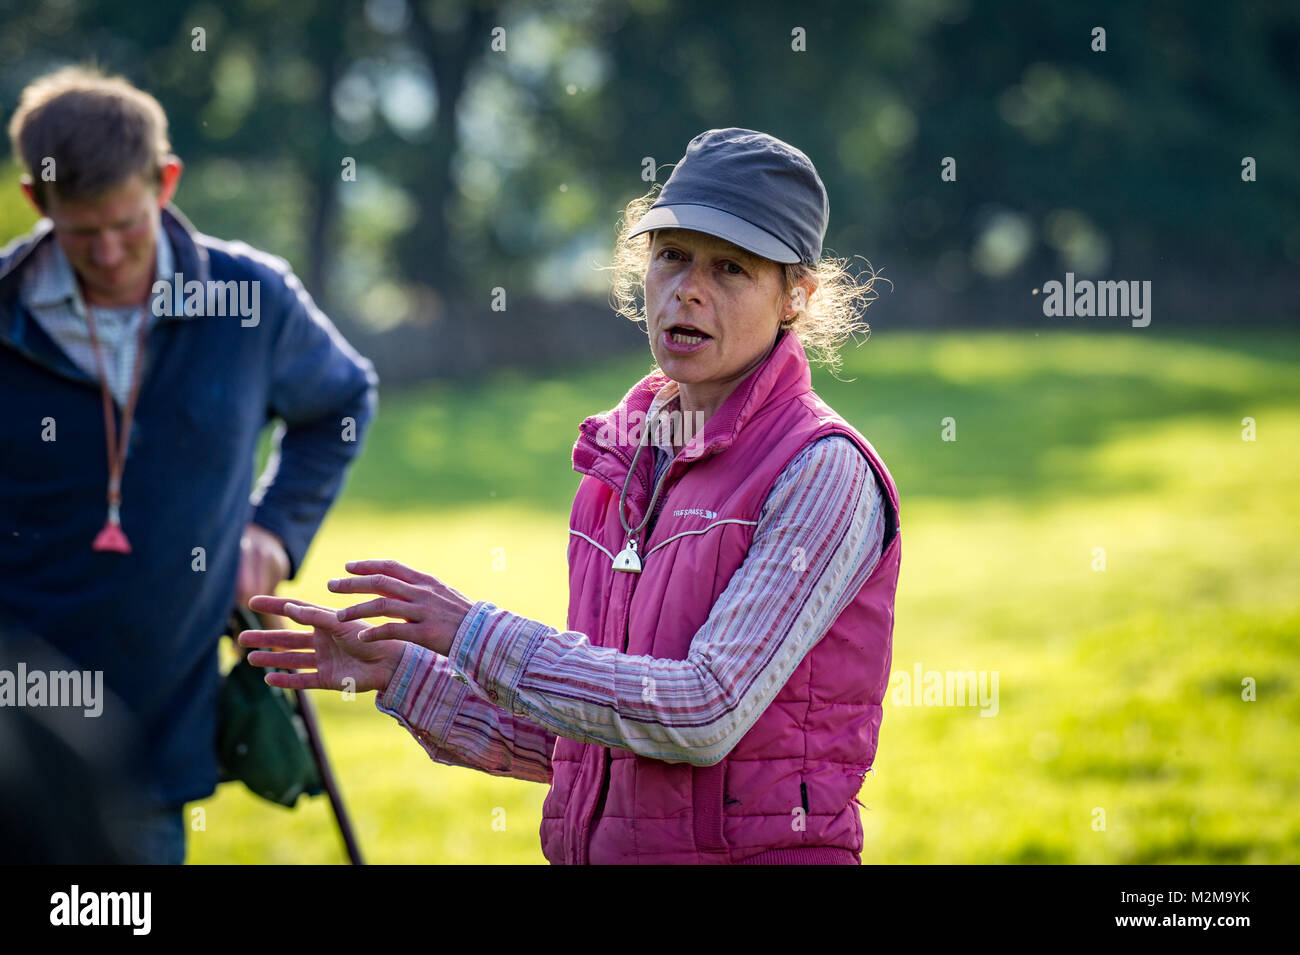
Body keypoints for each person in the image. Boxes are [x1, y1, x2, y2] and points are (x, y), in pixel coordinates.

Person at [241, 127, 900, 864]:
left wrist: (473, 629)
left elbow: (702, 712)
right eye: (672, 255)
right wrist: (402, 671)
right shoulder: (617, 462)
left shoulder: (823, 470)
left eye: (732, 269)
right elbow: (589, 739)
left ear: (796, 299)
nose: (688, 287)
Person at [0, 66, 378, 863]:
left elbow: (341, 401)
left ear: (165, 182)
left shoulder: (249, 300)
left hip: (152, 748)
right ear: (38, 202)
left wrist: (273, 531)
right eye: (80, 231)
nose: (106, 253)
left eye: (127, 225)